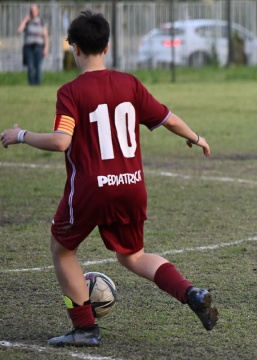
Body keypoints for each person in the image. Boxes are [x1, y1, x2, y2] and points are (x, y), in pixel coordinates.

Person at [1, 10, 218, 347]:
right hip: (131, 185)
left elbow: (61, 141)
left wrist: (21, 134)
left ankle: (84, 328)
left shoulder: (71, 91)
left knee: (62, 249)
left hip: (91, 189)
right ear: (107, 45)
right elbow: (168, 118)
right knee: (133, 256)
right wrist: (196, 136)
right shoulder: (129, 83)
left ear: (73, 48)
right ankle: (190, 291)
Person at [17, 3, 49, 85]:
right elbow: (19, 30)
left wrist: (46, 48)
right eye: (31, 10)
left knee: (38, 67)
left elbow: (46, 36)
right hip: (29, 48)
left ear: (38, 11)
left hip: (39, 47)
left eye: (34, 10)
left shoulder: (41, 22)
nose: (33, 12)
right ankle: (31, 84)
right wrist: (25, 20)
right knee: (30, 67)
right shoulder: (28, 22)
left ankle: (37, 84)